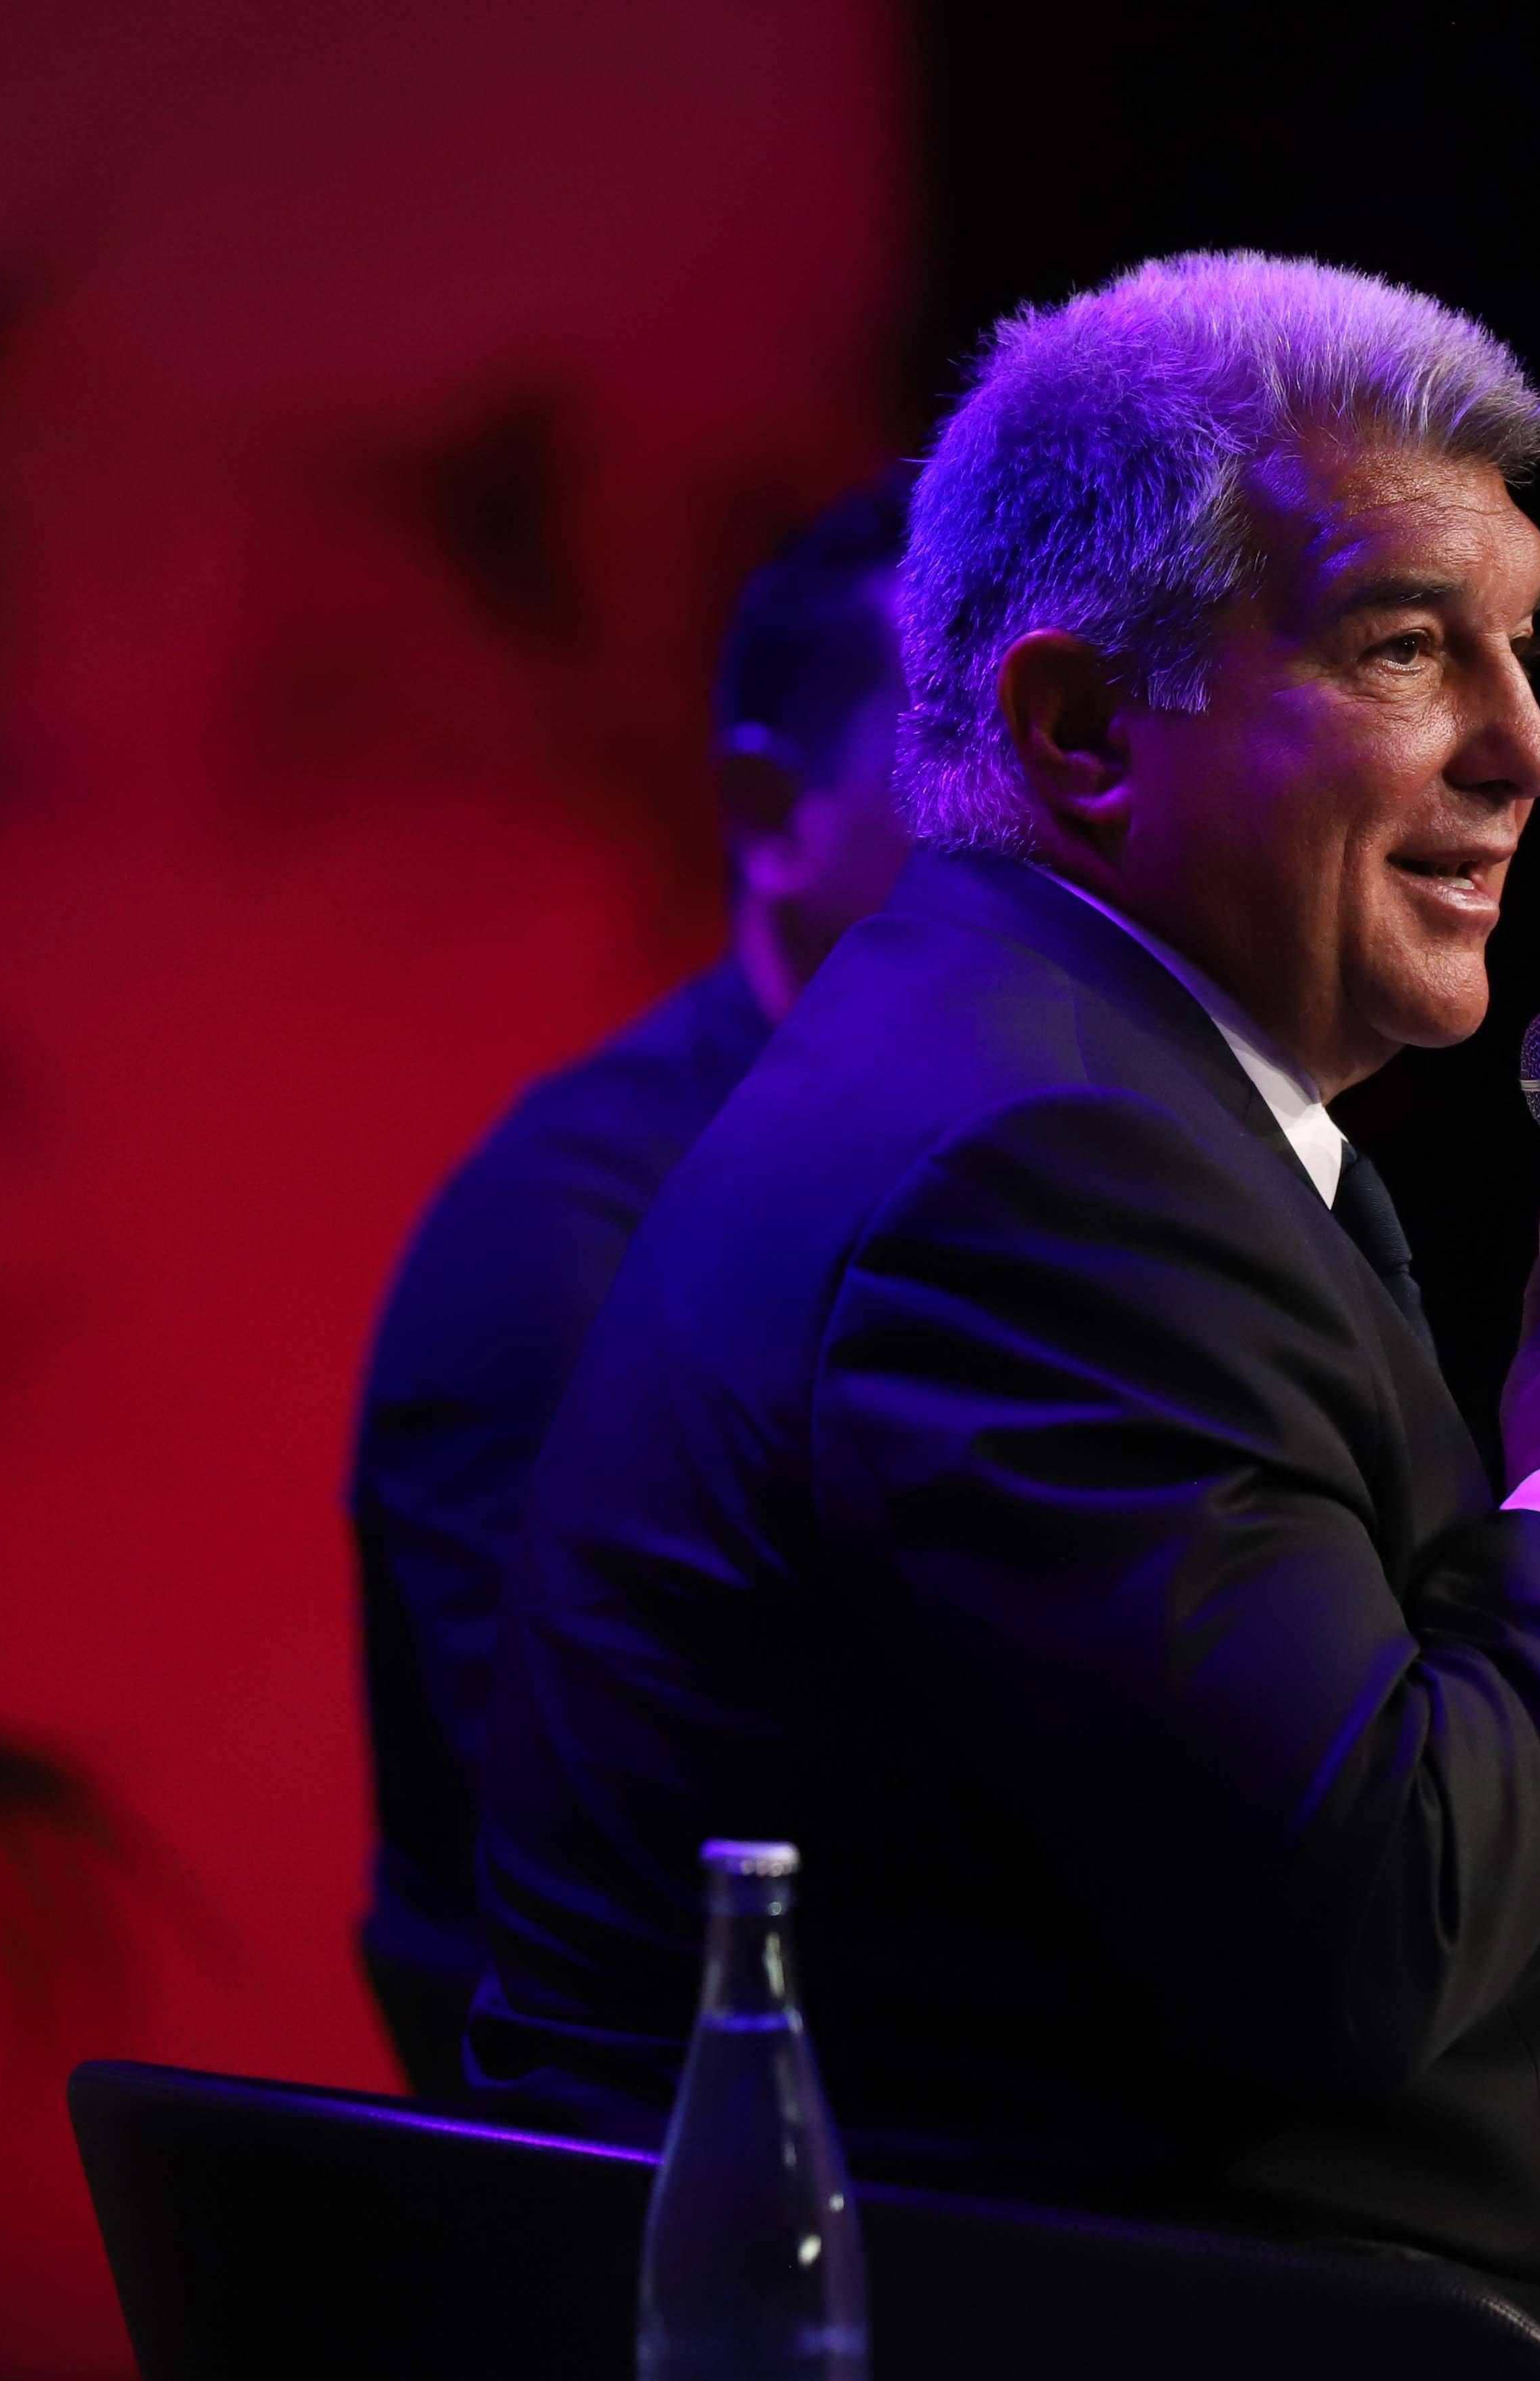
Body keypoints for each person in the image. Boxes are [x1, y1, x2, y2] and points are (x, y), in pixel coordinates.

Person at [361, 439, 1540, 2381]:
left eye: (1524, 646)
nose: (1532, 748)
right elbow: (1371, 1931)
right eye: (1409, 649)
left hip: (1449, 2240)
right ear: (1088, 729)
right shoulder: (1042, 1172)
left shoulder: (1124, 1098)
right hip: (1275, 2295)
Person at [351, 473, 916, 2081]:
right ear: (770, 809)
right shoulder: (570, 1251)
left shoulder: (1046, 1173)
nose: (1050, 820)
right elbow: (625, 1872)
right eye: (958, 750)